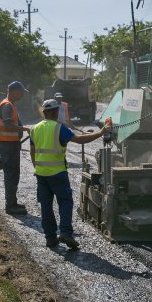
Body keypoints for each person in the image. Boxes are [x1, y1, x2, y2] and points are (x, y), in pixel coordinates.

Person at [30, 99, 109, 248]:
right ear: (55, 112)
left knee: (46, 206)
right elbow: (79, 140)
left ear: (44, 112)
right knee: (65, 202)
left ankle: (50, 238)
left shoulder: (34, 129)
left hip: (41, 174)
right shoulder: (59, 128)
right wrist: (100, 133)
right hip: (58, 173)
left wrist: (38, 168)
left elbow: (32, 152)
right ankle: (65, 233)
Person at [0, 81, 31, 215]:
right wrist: (25, 129)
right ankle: (10, 205)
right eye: (21, 92)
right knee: (10, 174)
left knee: (14, 174)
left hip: (11, 144)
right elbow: (8, 126)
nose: (22, 95)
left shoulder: (10, 105)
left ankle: (13, 202)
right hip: (8, 146)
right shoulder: (7, 106)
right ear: (14, 91)